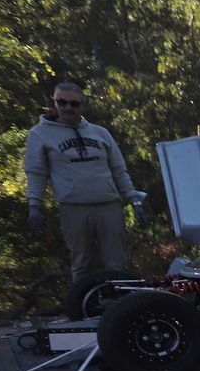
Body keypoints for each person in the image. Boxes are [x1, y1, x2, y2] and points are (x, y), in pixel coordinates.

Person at [23, 82, 147, 281]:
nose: (67, 108)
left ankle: (119, 307)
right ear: (54, 103)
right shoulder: (39, 135)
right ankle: (83, 308)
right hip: (73, 208)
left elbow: (119, 170)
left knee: (117, 262)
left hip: (109, 205)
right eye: (62, 102)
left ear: (82, 106)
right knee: (81, 263)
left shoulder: (100, 133)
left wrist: (135, 201)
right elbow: (36, 173)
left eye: (74, 104)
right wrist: (34, 206)